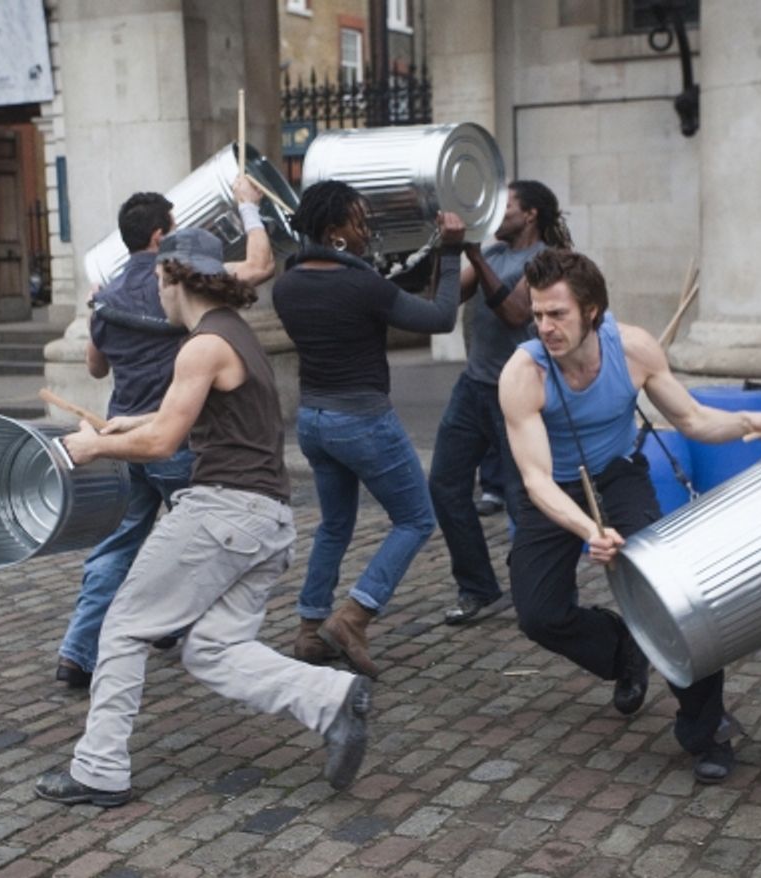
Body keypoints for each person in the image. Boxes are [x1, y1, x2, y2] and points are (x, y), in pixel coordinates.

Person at [35, 228, 371, 807]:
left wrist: (91, 449)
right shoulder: (230, 335)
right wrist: (124, 424)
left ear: (171, 277)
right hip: (265, 520)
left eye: (158, 282)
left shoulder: (200, 346)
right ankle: (331, 698)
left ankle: (99, 770)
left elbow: (167, 442)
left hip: (223, 511)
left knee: (123, 626)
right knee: (212, 649)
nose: (157, 293)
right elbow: (178, 417)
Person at [499, 249, 761, 783]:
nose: (544, 327)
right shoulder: (523, 374)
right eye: (538, 314)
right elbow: (537, 480)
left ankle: (706, 729)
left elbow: (693, 419)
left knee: (672, 596)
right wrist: (589, 531)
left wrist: (757, 422)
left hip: (618, 474)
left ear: (592, 310)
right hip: (556, 487)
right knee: (538, 614)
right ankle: (623, 650)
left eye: (558, 314)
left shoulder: (633, 349)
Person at [55, 180, 274, 690]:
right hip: (175, 437)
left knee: (115, 548)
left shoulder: (104, 297)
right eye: (175, 230)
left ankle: (77, 654)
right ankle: (183, 633)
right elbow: (260, 266)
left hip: (123, 434)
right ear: (160, 239)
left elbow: (94, 366)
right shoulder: (182, 286)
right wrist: (248, 206)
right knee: (200, 549)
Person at [272, 180, 467, 679]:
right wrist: (451, 251)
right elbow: (442, 318)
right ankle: (355, 616)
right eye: (358, 222)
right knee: (416, 518)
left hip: (313, 422)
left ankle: (309, 628)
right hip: (361, 419)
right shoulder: (362, 285)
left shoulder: (287, 284)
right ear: (334, 232)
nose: (366, 232)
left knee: (335, 524)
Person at [428, 180, 572, 625]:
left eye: (506, 206)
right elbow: (443, 303)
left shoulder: (546, 262)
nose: (496, 213)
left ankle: (543, 589)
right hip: (473, 387)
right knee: (445, 485)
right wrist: (446, 251)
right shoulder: (492, 254)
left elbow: (513, 313)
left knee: (523, 496)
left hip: (520, 391)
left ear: (530, 214)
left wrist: (470, 252)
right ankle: (478, 587)